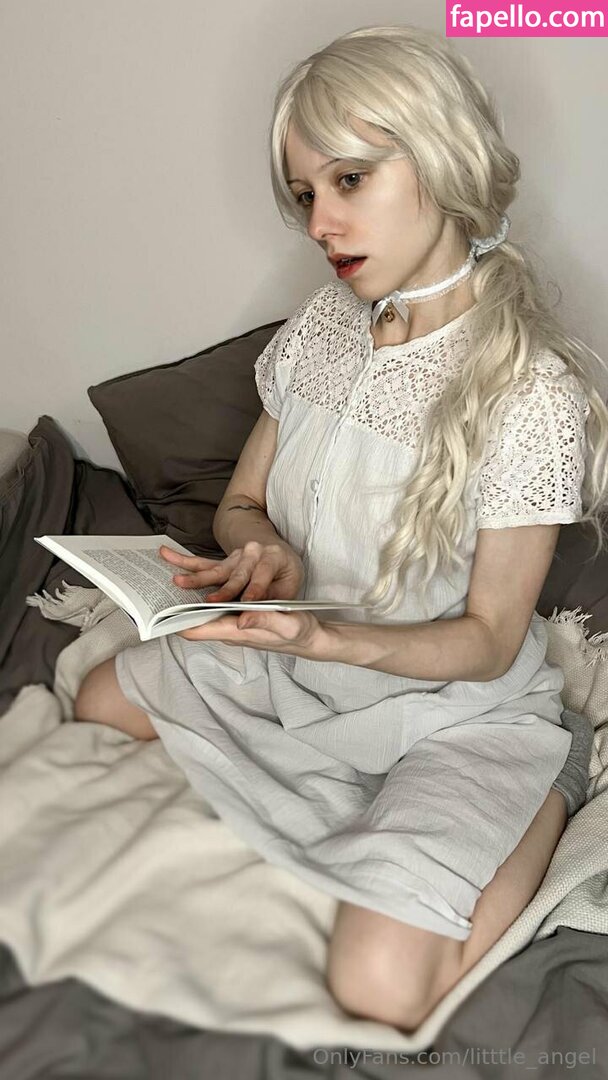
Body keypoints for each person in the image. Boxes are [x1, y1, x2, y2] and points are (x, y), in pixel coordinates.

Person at [74, 25, 607, 1032]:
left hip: (455, 709)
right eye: (305, 193)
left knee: (378, 986)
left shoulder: (529, 390)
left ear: (440, 157)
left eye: (350, 179)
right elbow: (240, 503)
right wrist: (262, 546)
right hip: (298, 666)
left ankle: (541, 792)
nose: (321, 222)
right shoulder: (323, 325)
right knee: (100, 700)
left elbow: (489, 640)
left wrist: (326, 640)